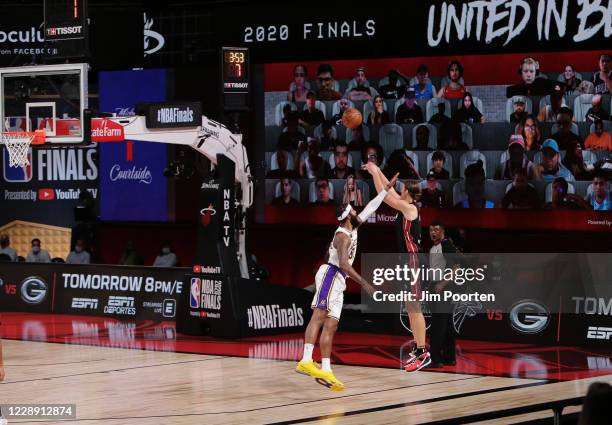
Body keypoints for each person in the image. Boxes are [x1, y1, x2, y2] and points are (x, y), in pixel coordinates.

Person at [296, 173, 397, 391]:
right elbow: (343, 264)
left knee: (332, 324)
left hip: (339, 280)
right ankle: (305, 360)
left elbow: (370, 207)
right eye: (352, 209)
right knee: (319, 316)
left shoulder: (354, 226)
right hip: (332, 274)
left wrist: (385, 190)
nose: (355, 210)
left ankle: (326, 369)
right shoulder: (342, 236)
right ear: (347, 215)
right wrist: (365, 283)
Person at [365, 162, 431, 372]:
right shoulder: (407, 204)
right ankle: (419, 348)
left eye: (402, 189)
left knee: (414, 307)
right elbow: (390, 188)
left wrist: (375, 172)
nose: (399, 190)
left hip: (413, 261)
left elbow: (385, 195)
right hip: (407, 261)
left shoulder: (409, 208)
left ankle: (423, 352)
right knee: (410, 308)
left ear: (409, 194)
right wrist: (378, 169)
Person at [427, 221, 459, 368]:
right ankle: (449, 358)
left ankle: (436, 359)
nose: (433, 232)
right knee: (446, 323)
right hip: (435, 286)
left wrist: (442, 284)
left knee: (439, 324)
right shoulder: (433, 248)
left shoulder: (446, 245)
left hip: (443, 288)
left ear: (443, 231)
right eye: (431, 230)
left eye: (436, 230)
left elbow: (456, 268)